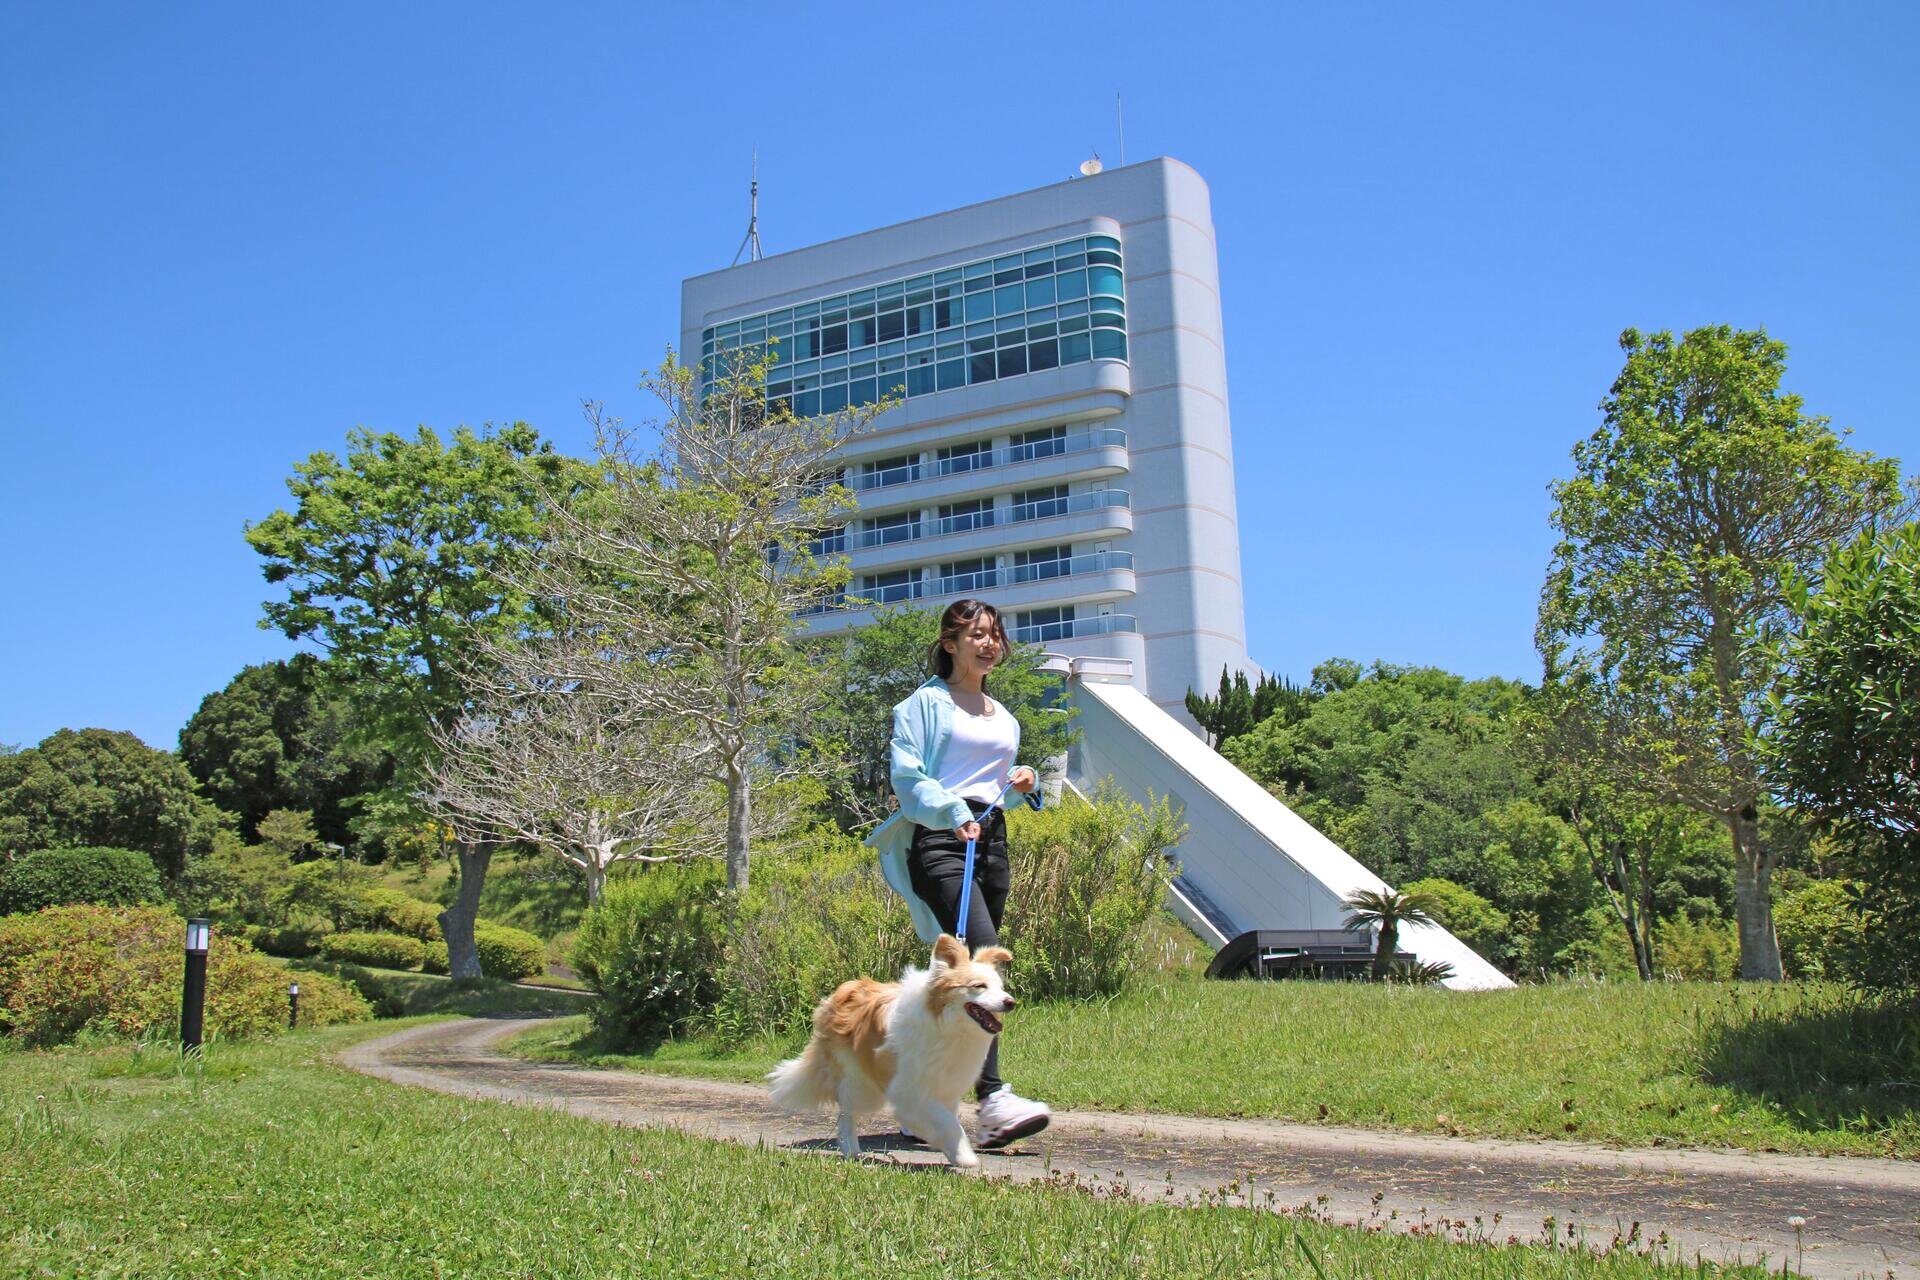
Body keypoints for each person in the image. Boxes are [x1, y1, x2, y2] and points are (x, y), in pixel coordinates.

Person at [866, 598, 1053, 1149]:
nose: (989, 643)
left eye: (995, 633)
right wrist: (953, 814)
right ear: (950, 643)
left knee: (950, 983)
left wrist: (1027, 783)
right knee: (983, 964)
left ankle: (920, 1099)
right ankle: (993, 1101)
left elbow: (997, 791)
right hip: (942, 841)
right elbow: (909, 779)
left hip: (990, 839)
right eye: (976, 634)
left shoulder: (1006, 717)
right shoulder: (922, 707)